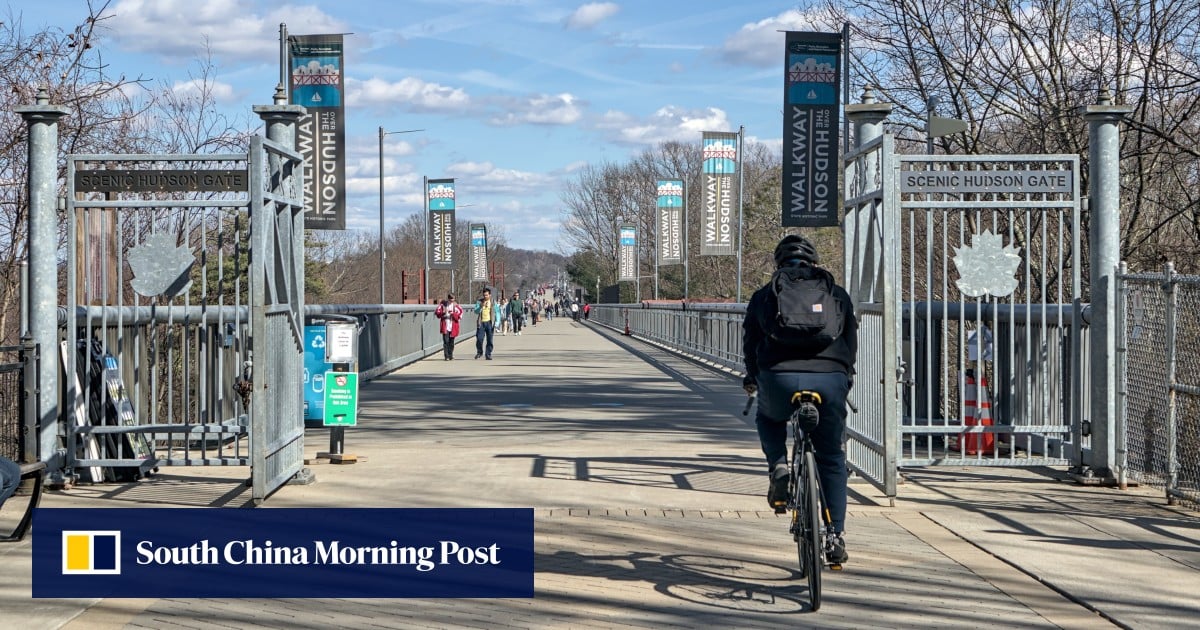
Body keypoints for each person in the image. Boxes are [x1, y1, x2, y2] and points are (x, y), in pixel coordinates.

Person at [742, 234, 858, 565]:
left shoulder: (765, 295)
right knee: (832, 457)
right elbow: (850, 341)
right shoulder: (836, 294)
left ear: (778, 265)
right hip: (829, 379)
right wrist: (844, 377)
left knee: (769, 417)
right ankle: (835, 536)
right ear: (814, 262)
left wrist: (753, 377)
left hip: (779, 377)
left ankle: (778, 465)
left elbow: (751, 342)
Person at [473, 288, 501, 360]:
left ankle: (488, 354)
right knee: (479, 338)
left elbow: (497, 312)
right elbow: (475, 312)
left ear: (490, 295)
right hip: (481, 322)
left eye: (487, 295)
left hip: (489, 322)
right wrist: (480, 306)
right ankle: (479, 352)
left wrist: (497, 322)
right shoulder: (479, 302)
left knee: (489, 340)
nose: (485, 296)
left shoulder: (493, 302)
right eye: (484, 295)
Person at [435, 293, 463, 360]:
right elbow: (437, 313)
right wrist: (443, 312)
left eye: (453, 300)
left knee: (451, 342)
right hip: (445, 325)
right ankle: (446, 356)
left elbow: (459, 316)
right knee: (446, 341)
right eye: (450, 300)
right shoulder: (443, 305)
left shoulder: (457, 306)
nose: (451, 301)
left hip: (453, 326)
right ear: (448, 299)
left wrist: (453, 314)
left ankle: (450, 355)